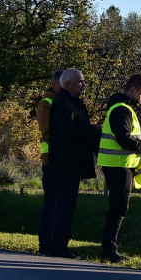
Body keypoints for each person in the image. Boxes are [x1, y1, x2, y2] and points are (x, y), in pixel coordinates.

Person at [98, 73, 141, 263]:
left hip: (119, 165)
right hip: (118, 166)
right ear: (132, 90)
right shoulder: (122, 110)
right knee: (118, 209)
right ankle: (109, 250)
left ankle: (110, 248)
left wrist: (140, 142)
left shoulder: (121, 108)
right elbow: (122, 137)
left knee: (117, 208)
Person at [47, 68, 100, 258]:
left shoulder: (72, 102)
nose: (83, 84)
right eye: (80, 81)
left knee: (67, 206)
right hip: (65, 164)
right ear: (68, 84)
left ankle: (59, 245)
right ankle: (58, 246)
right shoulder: (63, 103)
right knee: (64, 206)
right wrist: (92, 129)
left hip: (71, 164)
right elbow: (68, 129)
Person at [36, 70, 63, 255]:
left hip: (65, 163)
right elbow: (48, 134)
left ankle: (57, 244)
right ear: (55, 84)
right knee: (51, 204)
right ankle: (45, 245)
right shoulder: (47, 104)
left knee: (61, 205)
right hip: (51, 161)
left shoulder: (66, 103)